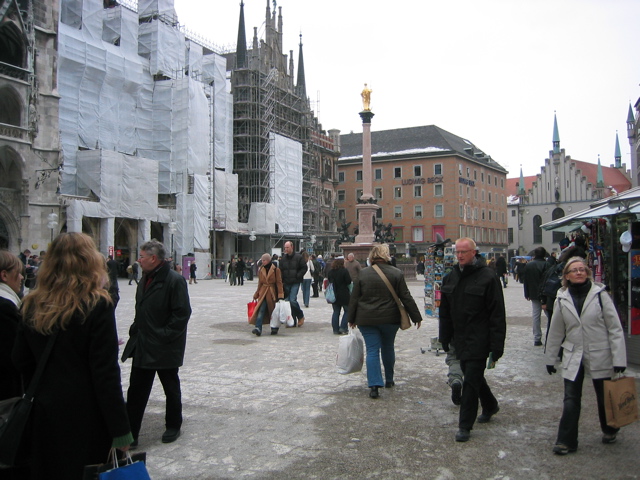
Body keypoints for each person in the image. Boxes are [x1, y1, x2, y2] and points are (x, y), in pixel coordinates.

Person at [12, 233, 132, 478]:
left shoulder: (31, 303)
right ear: (90, 261)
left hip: (45, 412)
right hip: (86, 416)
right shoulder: (96, 304)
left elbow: (20, 359)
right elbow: (105, 373)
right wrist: (120, 429)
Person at [545, 257, 627, 455]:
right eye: (574, 270)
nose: (579, 272)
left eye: (582, 269)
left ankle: (610, 429)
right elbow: (556, 330)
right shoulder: (562, 299)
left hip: (600, 352)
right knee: (571, 398)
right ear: (566, 276)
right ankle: (566, 441)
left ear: (588, 273)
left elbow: (615, 328)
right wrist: (550, 358)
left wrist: (619, 359)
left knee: (604, 395)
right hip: (574, 353)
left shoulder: (600, 295)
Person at [121, 239, 192, 446]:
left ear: (153, 258)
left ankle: (173, 425)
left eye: (141, 257)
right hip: (143, 343)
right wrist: (136, 328)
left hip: (165, 346)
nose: (138, 260)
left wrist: (164, 335)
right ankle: (131, 434)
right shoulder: (145, 279)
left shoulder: (174, 280)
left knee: (170, 387)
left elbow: (182, 314)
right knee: (136, 391)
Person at [439, 237, 506, 443]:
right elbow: (445, 312)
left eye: (464, 252)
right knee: (472, 375)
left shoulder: (488, 277)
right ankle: (490, 405)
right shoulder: (450, 277)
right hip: (460, 337)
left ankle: (464, 425)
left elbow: (497, 314)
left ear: (474, 252)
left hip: (480, 337)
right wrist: (444, 336)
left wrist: (497, 345)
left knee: (470, 380)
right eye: (457, 252)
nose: (459, 255)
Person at [348, 244, 422, 399]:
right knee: (388, 347)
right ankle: (389, 379)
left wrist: (351, 318)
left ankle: (374, 385)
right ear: (386, 255)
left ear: (372, 256)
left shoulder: (363, 274)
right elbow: (405, 296)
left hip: (366, 318)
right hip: (390, 318)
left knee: (372, 350)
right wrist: (416, 317)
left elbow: (354, 298)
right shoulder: (396, 273)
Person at [250, 253, 284, 336]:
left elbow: (279, 283)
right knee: (261, 310)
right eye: (262, 260)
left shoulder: (276, 270)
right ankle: (258, 327)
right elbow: (260, 283)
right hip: (263, 293)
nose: (262, 262)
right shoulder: (261, 269)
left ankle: (274, 328)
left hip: (272, 293)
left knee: (273, 312)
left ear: (268, 260)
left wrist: (280, 295)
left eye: (264, 260)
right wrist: (256, 293)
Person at [523, 247, 551, 346]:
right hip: (546, 294)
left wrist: (526, 293)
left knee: (536, 316)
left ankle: (537, 338)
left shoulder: (529, 265)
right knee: (550, 315)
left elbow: (525, 280)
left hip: (534, 293)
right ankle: (550, 336)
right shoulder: (547, 265)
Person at [279, 241, 307, 327]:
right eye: (285, 248)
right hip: (286, 282)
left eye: (287, 247)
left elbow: (304, 268)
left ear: (292, 247)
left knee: (292, 300)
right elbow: (280, 270)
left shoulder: (298, 257)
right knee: (287, 302)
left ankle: (300, 316)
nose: (286, 249)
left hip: (295, 281)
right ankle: (292, 320)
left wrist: (297, 276)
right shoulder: (283, 258)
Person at [327, 257, 352, 335]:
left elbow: (329, 280)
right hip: (344, 294)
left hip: (334, 294)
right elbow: (348, 281)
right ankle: (343, 327)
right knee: (347, 311)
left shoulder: (331, 272)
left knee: (336, 312)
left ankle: (335, 329)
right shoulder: (344, 271)